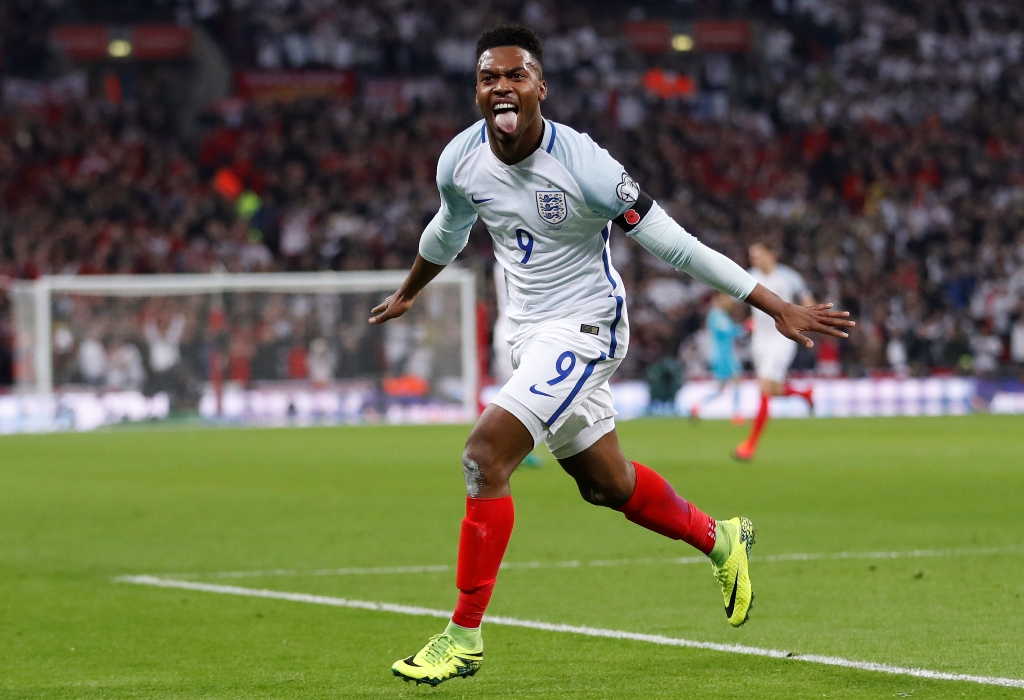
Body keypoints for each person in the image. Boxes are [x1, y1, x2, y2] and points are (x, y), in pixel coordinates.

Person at [369, 24, 853, 687]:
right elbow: (447, 229)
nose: (501, 86)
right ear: (477, 91)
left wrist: (772, 304)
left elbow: (676, 244)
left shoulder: (586, 166)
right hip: (529, 335)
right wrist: (408, 291)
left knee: (484, 457)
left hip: (586, 326)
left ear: (541, 87)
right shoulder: (460, 160)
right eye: (488, 78)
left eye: (515, 75)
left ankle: (462, 637)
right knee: (605, 484)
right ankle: (721, 538)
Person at [733, 242, 816, 461]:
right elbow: (737, 301)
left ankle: (750, 445)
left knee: (764, 388)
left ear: (771, 255)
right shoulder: (749, 276)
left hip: (782, 339)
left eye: (758, 255)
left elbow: (808, 301)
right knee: (774, 389)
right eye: (752, 256)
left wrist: (806, 320)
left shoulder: (789, 277)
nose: (754, 259)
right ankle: (804, 394)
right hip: (759, 341)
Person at [691, 292, 745, 423]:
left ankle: (697, 405)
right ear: (719, 299)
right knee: (736, 380)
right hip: (723, 356)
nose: (730, 302)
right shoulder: (716, 315)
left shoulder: (720, 315)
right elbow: (730, 332)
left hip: (724, 354)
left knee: (721, 388)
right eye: (727, 299)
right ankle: (737, 414)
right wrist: (746, 327)